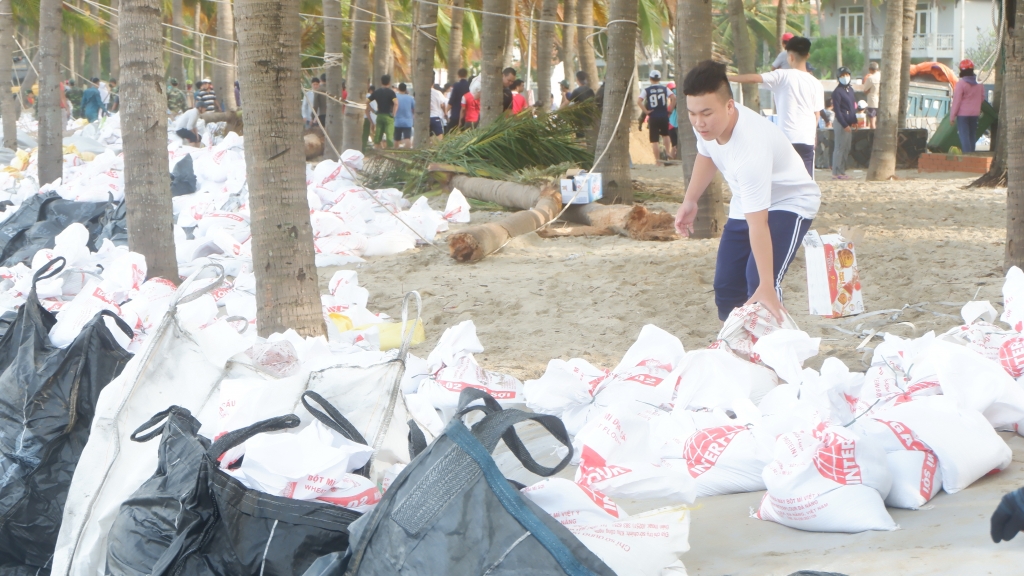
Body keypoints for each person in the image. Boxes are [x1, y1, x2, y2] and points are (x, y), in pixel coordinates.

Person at [675, 60, 820, 323]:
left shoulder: (750, 149)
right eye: (692, 113)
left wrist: (765, 284)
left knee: (760, 284)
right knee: (726, 286)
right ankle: (737, 347)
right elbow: (706, 154)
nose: (699, 122)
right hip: (748, 200)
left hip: (790, 201)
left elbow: (759, 224)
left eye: (706, 114)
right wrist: (690, 201)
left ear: (730, 106)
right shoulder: (707, 124)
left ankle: (775, 348)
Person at [730, 36, 823, 177]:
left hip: (786, 139)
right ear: (807, 55)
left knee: (782, 181)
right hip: (806, 139)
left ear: (789, 57)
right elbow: (816, 114)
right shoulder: (816, 83)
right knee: (806, 183)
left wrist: (726, 78)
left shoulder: (782, 76)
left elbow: (754, 78)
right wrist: (813, 135)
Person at [639, 70, 674, 166]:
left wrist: (646, 111)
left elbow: (639, 101)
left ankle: (657, 161)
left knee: (655, 140)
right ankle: (667, 152)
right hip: (663, 115)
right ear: (659, 79)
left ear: (650, 79)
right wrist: (670, 110)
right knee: (665, 135)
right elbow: (673, 98)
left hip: (653, 116)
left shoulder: (647, 90)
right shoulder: (664, 89)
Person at [951, 58, 985, 153]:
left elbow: (956, 101)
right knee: (972, 135)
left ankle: (966, 155)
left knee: (964, 135)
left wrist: (952, 116)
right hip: (975, 113)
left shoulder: (961, 83)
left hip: (963, 114)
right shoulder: (979, 82)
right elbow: (982, 97)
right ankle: (972, 155)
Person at [831, 67, 857, 180]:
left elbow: (852, 107)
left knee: (846, 147)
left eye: (846, 75)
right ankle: (836, 172)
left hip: (849, 122)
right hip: (841, 122)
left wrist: (854, 121)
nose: (845, 77)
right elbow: (837, 110)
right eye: (842, 76)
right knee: (839, 147)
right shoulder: (837, 92)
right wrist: (844, 124)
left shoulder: (850, 90)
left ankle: (842, 170)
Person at [368, 75, 397, 148]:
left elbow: (366, 102)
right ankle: (390, 154)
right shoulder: (391, 93)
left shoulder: (376, 92)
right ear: (389, 82)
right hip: (388, 116)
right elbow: (396, 103)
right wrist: (394, 113)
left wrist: (372, 110)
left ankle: (377, 154)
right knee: (389, 136)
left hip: (380, 115)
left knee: (378, 136)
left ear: (381, 82)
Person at [448, 68, 470, 132]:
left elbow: (452, 100)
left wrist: (446, 111)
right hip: (466, 114)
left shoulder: (456, 85)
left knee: (449, 132)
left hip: (455, 113)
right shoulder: (468, 85)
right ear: (466, 75)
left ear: (458, 75)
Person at [394, 82, 415, 148]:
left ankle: (395, 153)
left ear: (398, 88)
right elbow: (414, 108)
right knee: (407, 138)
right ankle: (407, 153)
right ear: (405, 89)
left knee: (396, 139)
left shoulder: (395, 97)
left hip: (397, 120)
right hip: (408, 121)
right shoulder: (410, 98)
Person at [862, 61, 881, 129]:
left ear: (870, 69)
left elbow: (865, 89)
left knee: (872, 122)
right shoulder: (881, 76)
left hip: (872, 101)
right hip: (881, 101)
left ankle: (873, 136)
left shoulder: (871, 78)